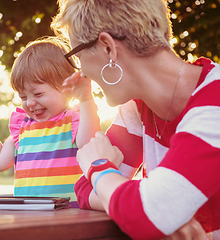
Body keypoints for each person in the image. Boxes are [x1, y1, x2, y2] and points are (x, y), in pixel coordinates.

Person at [51, 0, 220, 239]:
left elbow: (145, 212)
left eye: (76, 56)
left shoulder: (215, 102)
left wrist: (99, 167)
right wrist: (146, 205)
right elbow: (84, 188)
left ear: (108, 48)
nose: (81, 72)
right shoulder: (138, 107)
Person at [0, 37, 100, 204]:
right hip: (29, 214)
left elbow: (88, 143)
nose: (29, 102)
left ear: (67, 88)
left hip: (68, 214)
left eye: (38, 94)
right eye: (23, 96)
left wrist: (86, 98)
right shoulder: (23, 128)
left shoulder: (73, 121)